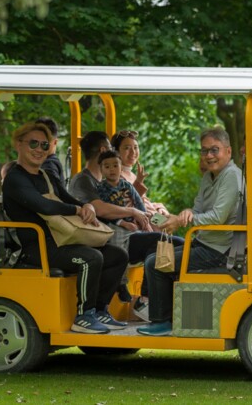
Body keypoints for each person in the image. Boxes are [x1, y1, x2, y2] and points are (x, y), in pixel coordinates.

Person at [3, 122, 128, 334]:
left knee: (118, 255)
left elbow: (70, 199)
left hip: (64, 241)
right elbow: (42, 205)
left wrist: (86, 205)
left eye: (44, 145)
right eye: (33, 143)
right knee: (91, 258)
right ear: (19, 144)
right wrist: (77, 210)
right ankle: (84, 315)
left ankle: (99, 310)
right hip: (39, 248)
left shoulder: (47, 176)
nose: (38, 149)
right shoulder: (15, 178)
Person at [137, 127, 242, 337]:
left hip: (220, 250)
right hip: (204, 242)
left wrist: (184, 220)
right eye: (204, 151)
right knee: (155, 256)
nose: (209, 156)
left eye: (214, 150)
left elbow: (217, 217)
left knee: (155, 263)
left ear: (228, 151)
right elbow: (197, 209)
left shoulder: (231, 175)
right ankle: (161, 313)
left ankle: (162, 321)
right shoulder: (209, 176)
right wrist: (182, 215)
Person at [68, 132, 181, 312]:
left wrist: (155, 211)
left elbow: (139, 201)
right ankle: (146, 299)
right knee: (168, 244)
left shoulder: (114, 180)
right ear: (104, 150)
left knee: (167, 244)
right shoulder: (84, 181)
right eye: (118, 149)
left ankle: (156, 299)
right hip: (106, 238)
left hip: (126, 233)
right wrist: (133, 212)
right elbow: (101, 209)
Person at [110, 130, 169, 216]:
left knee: (173, 220)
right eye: (127, 148)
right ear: (116, 152)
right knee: (172, 221)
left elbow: (144, 201)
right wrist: (138, 182)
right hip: (138, 223)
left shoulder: (132, 175)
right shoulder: (114, 176)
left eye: (135, 147)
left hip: (149, 217)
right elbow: (124, 205)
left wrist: (158, 207)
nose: (133, 152)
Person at [35, 117, 66, 185]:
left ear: (55, 142)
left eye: (45, 143)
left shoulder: (49, 166)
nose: (39, 147)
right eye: (35, 142)